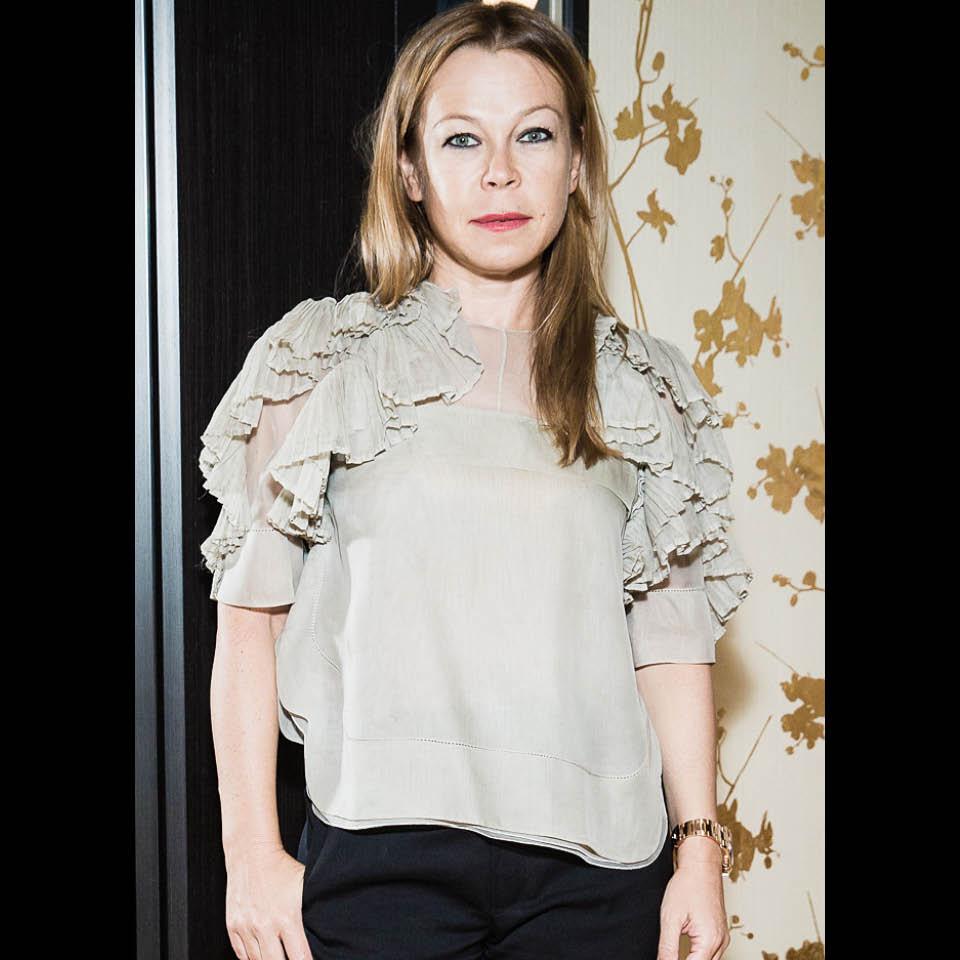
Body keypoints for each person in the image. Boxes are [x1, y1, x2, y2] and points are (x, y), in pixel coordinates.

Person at [199, 4, 752, 960]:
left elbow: (670, 638)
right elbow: (251, 624)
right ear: (409, 171)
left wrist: (698, 851)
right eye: (461, 138)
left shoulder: (640, 387)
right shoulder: (323, 362)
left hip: (601, 882)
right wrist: (250, 852)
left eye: (533, 134)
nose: (500, 171)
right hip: (380, 866)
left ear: (576, 163)